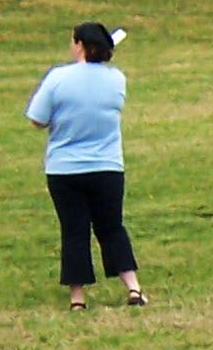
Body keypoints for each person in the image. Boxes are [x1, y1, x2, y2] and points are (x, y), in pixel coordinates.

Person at [26, 22, 148, 311]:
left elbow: (37, 119)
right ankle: (133, 288)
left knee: (74, 231)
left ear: (80, 44)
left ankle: (78, 298)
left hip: (64, 169)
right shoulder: (117, 79)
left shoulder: (58, 78)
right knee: (112, 227)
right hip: (107, 167)